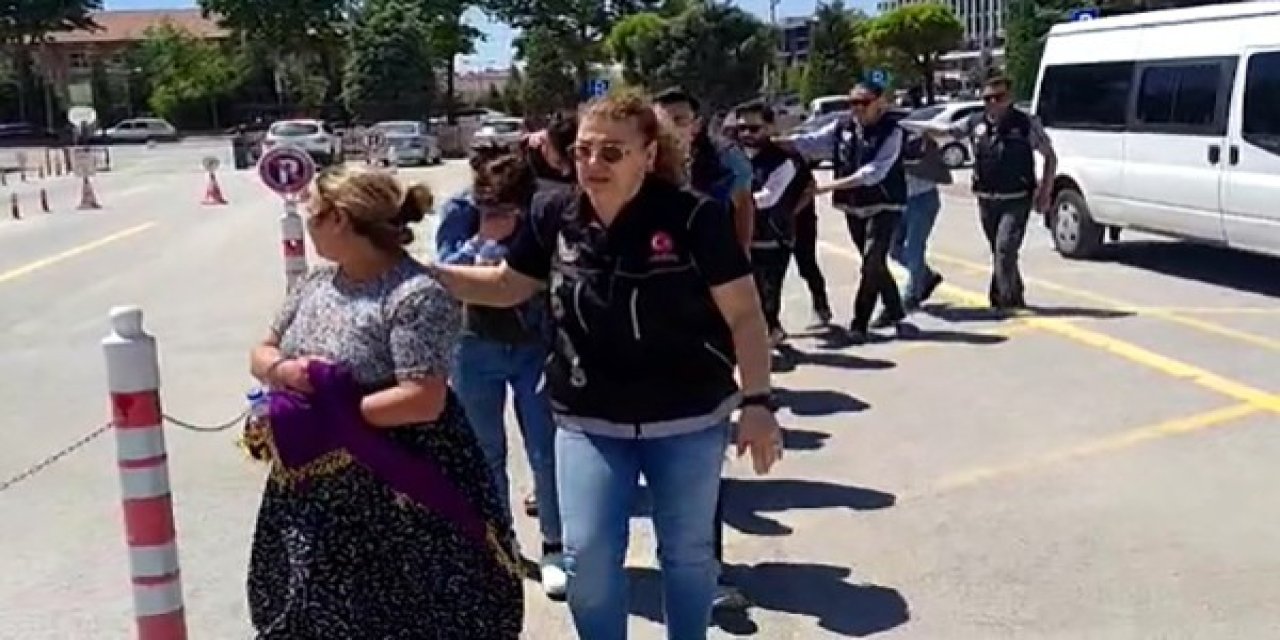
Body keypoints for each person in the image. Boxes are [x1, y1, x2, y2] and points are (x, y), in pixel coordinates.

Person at [429, 92, 783, 640]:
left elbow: (744, 315)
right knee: (587, 561)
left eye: (612, 152)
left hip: (687, 417)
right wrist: (424, 274)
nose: (593, 163)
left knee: (688, 555)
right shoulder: (553, 214)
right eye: (583, 151)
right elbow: (508, 285)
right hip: (588, 418)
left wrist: (757, 402)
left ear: (648, 154)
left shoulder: (695, 216)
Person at [246, 166, 522, 638]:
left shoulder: (416, 295)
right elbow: (264, 348)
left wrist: (329, 419)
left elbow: (422, 398)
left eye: (315, 211)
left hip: (397, 487)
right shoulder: (314, 284)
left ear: (341, 219)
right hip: (313, 485)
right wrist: (280, 372)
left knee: (407, 614)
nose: (308, 222)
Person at [436, 149, 567, 600]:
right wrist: (482, 241)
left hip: (534, 343)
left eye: (505, 209)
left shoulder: (542, 212)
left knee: (545, 449)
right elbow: (444, 269)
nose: (495, 215)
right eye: (487, 206)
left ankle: (555, 546)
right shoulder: (460, 209)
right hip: (474, 344)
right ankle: (499, 543)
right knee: (485, 450)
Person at [910, 76, 1058, 310]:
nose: (993, 103)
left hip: (1017, 198)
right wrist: (916, 130)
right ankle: (1014, 293)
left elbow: (1049, 156)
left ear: (1009, 98)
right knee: (1000, 251)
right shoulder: (975, 122)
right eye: (988, 98)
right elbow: (947, 132)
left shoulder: (1025, 124)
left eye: (999, 97)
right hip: (986, 198)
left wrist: (1045, 192)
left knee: (1004, 249)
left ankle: (1002, 301)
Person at [786, 82, 909, 344]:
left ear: (880, 103)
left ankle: (859, 323)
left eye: (864, 102)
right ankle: (896, 311)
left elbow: (873, 173)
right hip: (853, 206)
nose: (857, 108)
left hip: (884, 204)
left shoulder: (892, 132)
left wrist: (826, 187)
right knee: (874, 264)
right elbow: (811, 143)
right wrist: (774, 142)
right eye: (852, 103)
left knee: (871, 261)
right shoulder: (842, 127)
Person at [735, 100, 811, 346]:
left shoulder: (783, 160)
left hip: (774, 237)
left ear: (769, 128)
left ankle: (768, 335)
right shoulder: (732, 157)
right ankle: (770, 331)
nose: (746, 134)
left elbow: (769, 197)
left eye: (754, 128)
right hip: (742, 236)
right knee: (747, 292)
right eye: (741, 128)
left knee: (768, 291)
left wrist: (731, 204)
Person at [652, 86, 756, 252]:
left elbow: (743, 204)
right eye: (662, 123)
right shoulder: (643, 160)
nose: (670, 129)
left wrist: (742, 252)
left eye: (679, 120)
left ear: (696, 125)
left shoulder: (725, 158)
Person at [892, 130, 951, 310]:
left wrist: (924, 148)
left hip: (922, 198)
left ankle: (912, 294)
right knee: (893, 248)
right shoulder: (884, 138)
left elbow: (940, 170)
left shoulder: (918, 137)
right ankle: (925, 276)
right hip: (899, 200)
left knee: (915, 248)